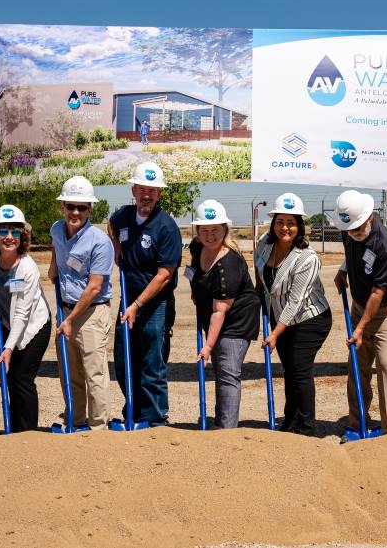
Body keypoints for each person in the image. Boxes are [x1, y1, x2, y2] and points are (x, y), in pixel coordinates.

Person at [107, 161, 182, 426]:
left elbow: (165, 275)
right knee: (124, 359)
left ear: (159, 194)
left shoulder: (167, 227)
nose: (146, 195)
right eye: (142, 189)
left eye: (152, 190)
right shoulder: (124, 216)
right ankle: (135, 412)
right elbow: (111, 225)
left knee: (152, 363)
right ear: (134, 190)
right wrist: (116, 247)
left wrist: (138, 304)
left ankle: (155, 419)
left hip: (154, 305)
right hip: (128, 301)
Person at [333, 190, 387, 436]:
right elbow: (351, 254)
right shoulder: (349, 230)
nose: (354, 234)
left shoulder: (386, 244)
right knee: (357, 364)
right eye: (350, 230)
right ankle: (359, 424)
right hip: (360, 304)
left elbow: (378, 293)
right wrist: (343, 270)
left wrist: (359, 328)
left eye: (358, 229)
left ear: (369, 218)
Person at [254, 192, 332, 435]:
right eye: (280, 221)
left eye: (291, 222)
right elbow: (259, 277)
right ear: (273, 222)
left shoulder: (308, 258)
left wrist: (275, 334)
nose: (285, 227)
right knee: (290, 370)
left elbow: (296, 301)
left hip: (309, 319)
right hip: (281, 318)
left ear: (300, 226)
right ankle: (291, 420)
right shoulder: (265, 246)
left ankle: (306, 427)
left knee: (299, 370)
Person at [186, 199, 259, 428]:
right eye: (204, 230)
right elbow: (193, 274)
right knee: (220, 370)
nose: (210, 235)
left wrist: (207, 347)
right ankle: (221, 422)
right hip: (215, 317)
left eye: (215, 230)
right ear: (197, 231)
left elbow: (220, 309)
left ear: (225, 230)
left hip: (236, 320)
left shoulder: (229, 263)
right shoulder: (198, 248)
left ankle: (227, 430)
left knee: (228, 372)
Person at [49, 176, 115, 429]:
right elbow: (57, 249)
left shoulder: (100, 242)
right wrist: (54, 267)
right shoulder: (56, 229)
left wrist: (70, 320)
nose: (75, 212)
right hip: (65, 309)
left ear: (90, 209)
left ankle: (98, 427)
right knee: (70, 373)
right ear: (62, 207)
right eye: (70, 206)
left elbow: (94, 287)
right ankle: (76, 423)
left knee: (94, 374)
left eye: (82, 207)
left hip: (90, 313)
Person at [0, 205, 51, 432]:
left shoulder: (28, 268)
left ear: (22, 236)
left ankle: (28, 434)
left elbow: (23, 313)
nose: (9, 237)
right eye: (3, 231)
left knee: (22, 379)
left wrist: (9, 348)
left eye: (15, 232)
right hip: (10, 324)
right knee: (12, 380)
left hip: (34, 327)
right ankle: (15, 432)